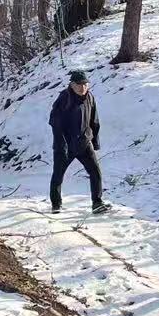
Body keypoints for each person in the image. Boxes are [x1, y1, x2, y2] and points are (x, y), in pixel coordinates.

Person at [49, 69, 107, 214]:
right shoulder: (64, 98)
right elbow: (55, 123)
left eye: (85, 84)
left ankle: (97, 203)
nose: (83, 88)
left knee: (95, 172)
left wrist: (95, 142)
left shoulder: (90, 97)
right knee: (58, 174)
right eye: (79, 85)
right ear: (72, 85)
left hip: (84, 143)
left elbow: (94, 121)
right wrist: (61, 145)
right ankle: (56, 204)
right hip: (66, 145)